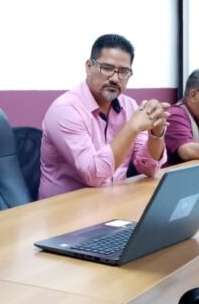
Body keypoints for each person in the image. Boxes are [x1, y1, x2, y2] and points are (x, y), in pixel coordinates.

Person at [38, 34, 169, 199]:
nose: (115, 78)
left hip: (112, 201)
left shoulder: (129, 106)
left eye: (123, 72)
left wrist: (156, 134)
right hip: (65, 210)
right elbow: (94, 175)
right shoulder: (65, 110)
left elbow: (148, 168)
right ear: (88, 66)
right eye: (106, 68)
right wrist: (132, 128)